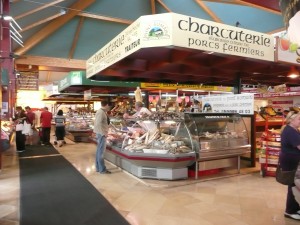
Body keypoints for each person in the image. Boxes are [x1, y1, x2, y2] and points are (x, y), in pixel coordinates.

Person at [279, 111, 300, 220]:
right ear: (291, 120)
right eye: (299, 119)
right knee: (293, 185)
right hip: (291, 162)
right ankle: (290, 211)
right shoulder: (290, 131)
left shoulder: (292, 129)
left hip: (291, 160)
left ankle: (295, 207)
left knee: (294, 185)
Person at [93, 100, 111, 174]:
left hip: (100, 133)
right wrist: (103, 133)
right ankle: (102, 169)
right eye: (109, 106)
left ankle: (98, 168)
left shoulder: (101, 111)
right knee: (101, 153)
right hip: (101, 134)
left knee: (98, 152)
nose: (109, 107)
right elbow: (98, 124)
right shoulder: (101, 112)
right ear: (106, 105)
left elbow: (100, 123)